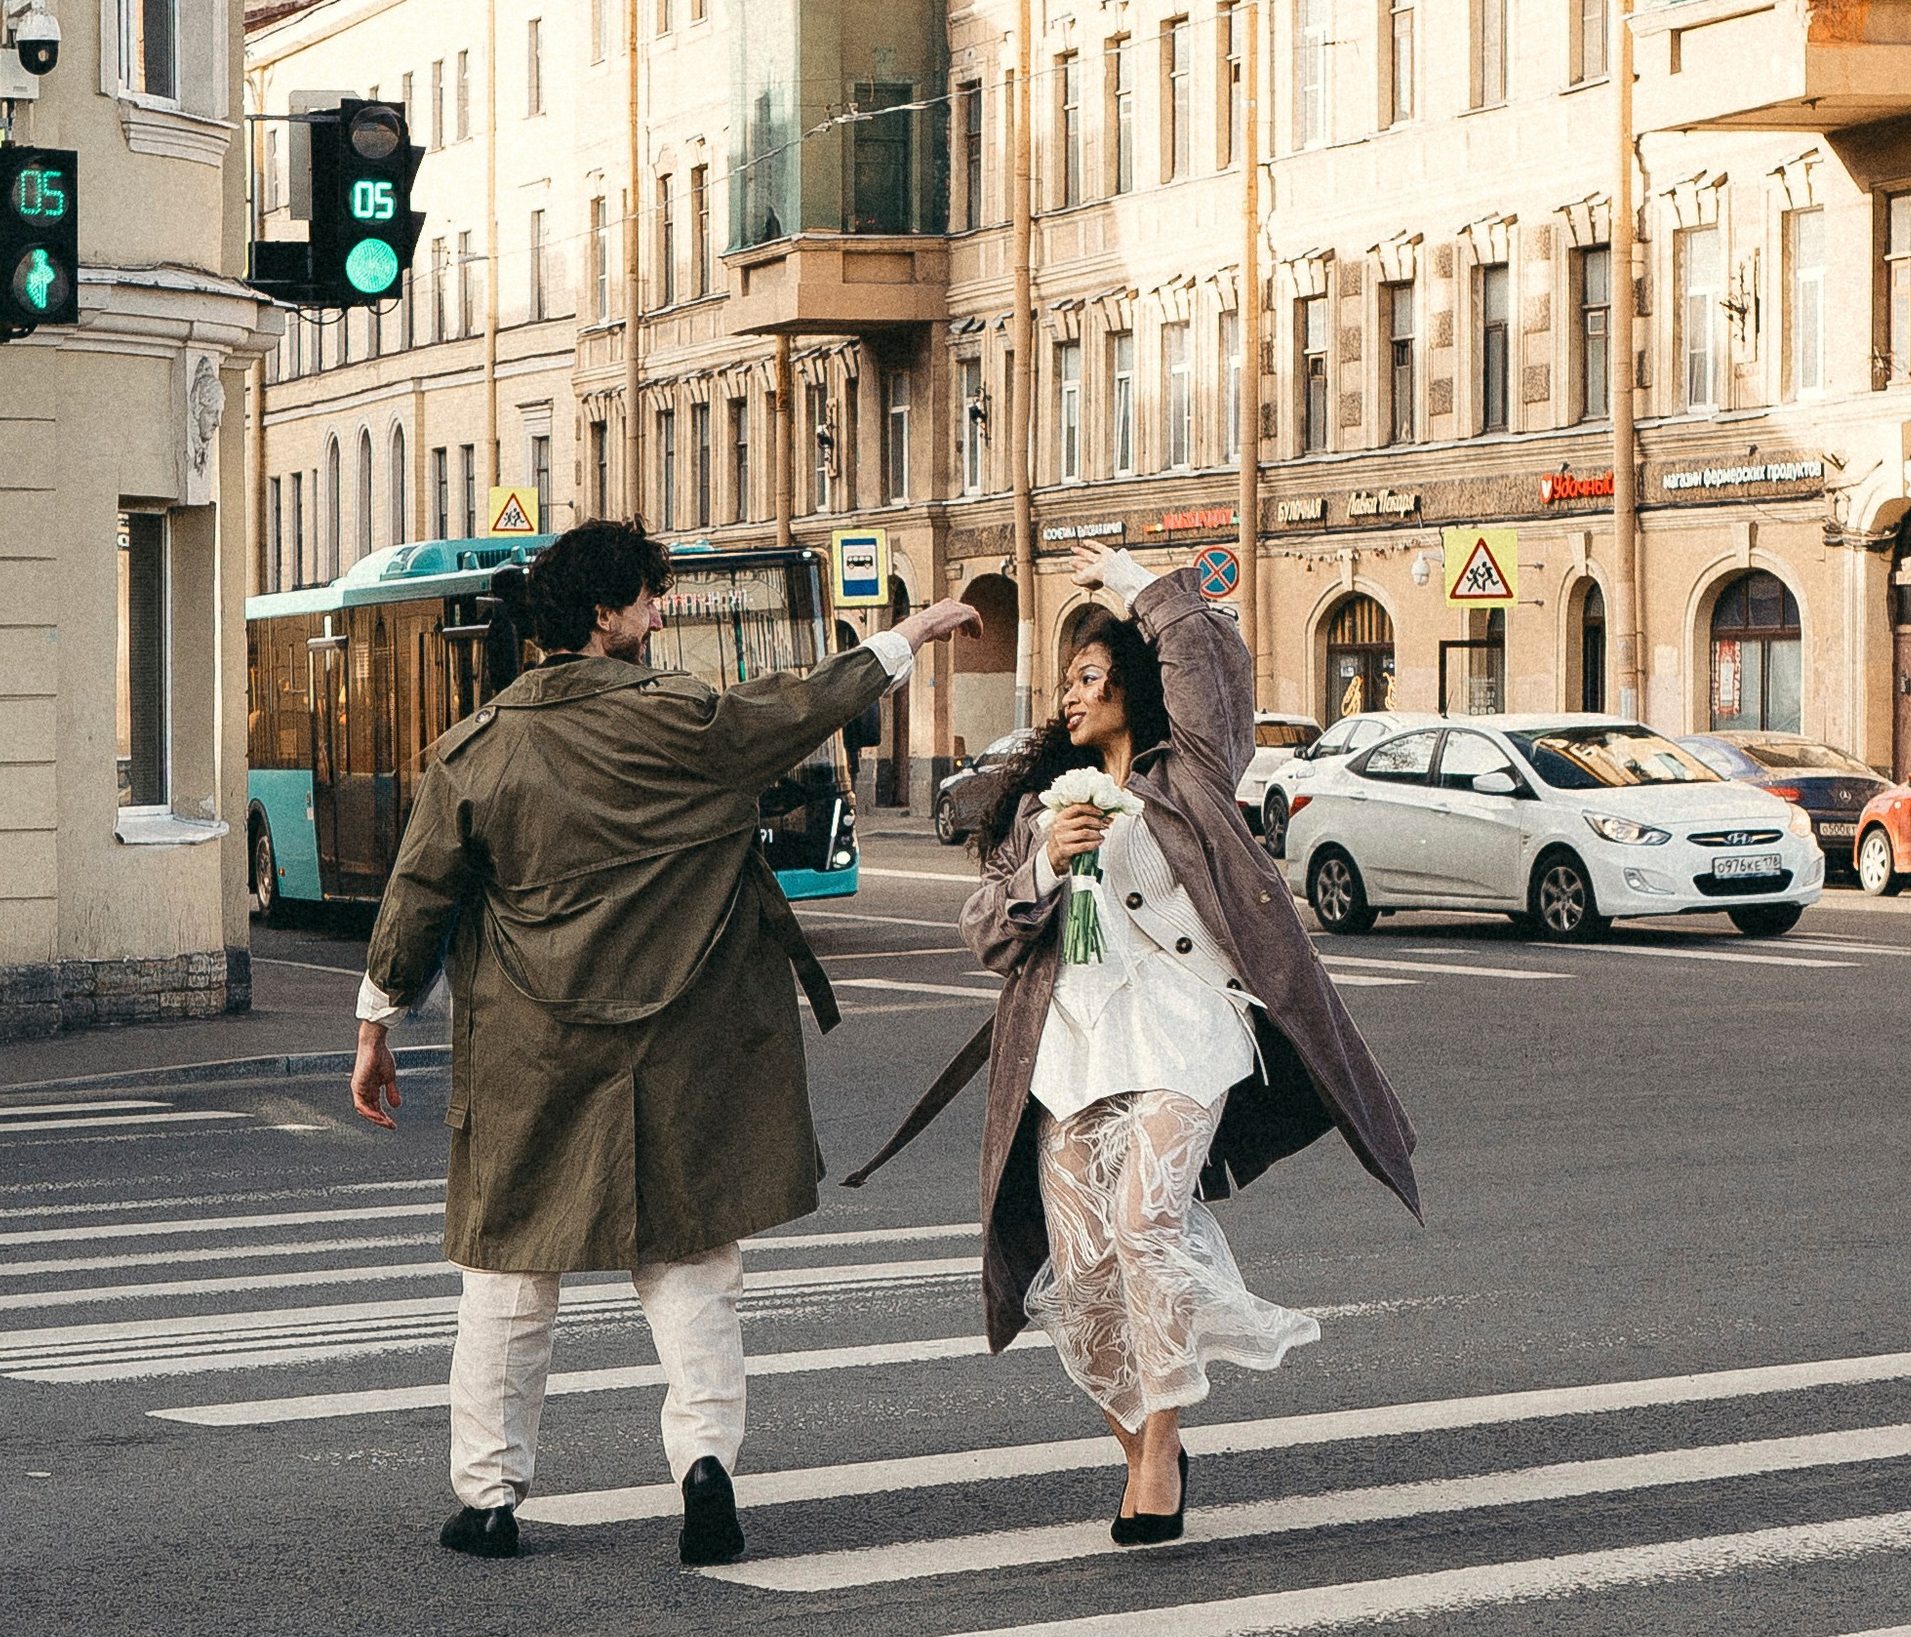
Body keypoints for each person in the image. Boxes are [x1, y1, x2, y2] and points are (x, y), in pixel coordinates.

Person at [350, 518, 980, 1565]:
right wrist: (906, 636)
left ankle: (491, 1499)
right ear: (604, 616)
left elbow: (417, 899)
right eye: (648, 598)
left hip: (529, 1049)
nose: (659, 615)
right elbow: (797, 708)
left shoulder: (481, 746)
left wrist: (375, 1024)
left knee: (509, 1275)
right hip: (679, 1044)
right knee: (692, 1263)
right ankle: (704, 1472)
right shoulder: (685, 719)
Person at [956, 548, 1420, 1547]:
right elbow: (986, 930)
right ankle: (1140, 1448)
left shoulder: (1192, 776)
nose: (1071, 697)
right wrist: (1045, 862)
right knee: (1079, 1272)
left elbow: (1208, 667)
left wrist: (1136, 581)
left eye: (1088, 677)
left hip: (1182, 1026)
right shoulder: (1045, 804)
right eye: (1067, 683)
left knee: (1142, 1227)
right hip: (1074, 1041)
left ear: (1129, 683)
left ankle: (1159, 1454)